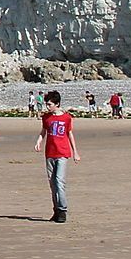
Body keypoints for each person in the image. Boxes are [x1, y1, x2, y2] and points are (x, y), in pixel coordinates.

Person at [36, 91, 77, 223]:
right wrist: (39, 141)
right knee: (52, 183)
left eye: (50, 104)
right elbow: (43, 132)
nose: (47, 107)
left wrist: (75, 152)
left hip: (62, 153)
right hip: (50, 153)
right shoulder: (46, 117)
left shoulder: (66, 118)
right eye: (47, 104)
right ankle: (56, 210)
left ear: (57, 104)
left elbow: (70, 134)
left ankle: (63, 210)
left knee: (59, 181)